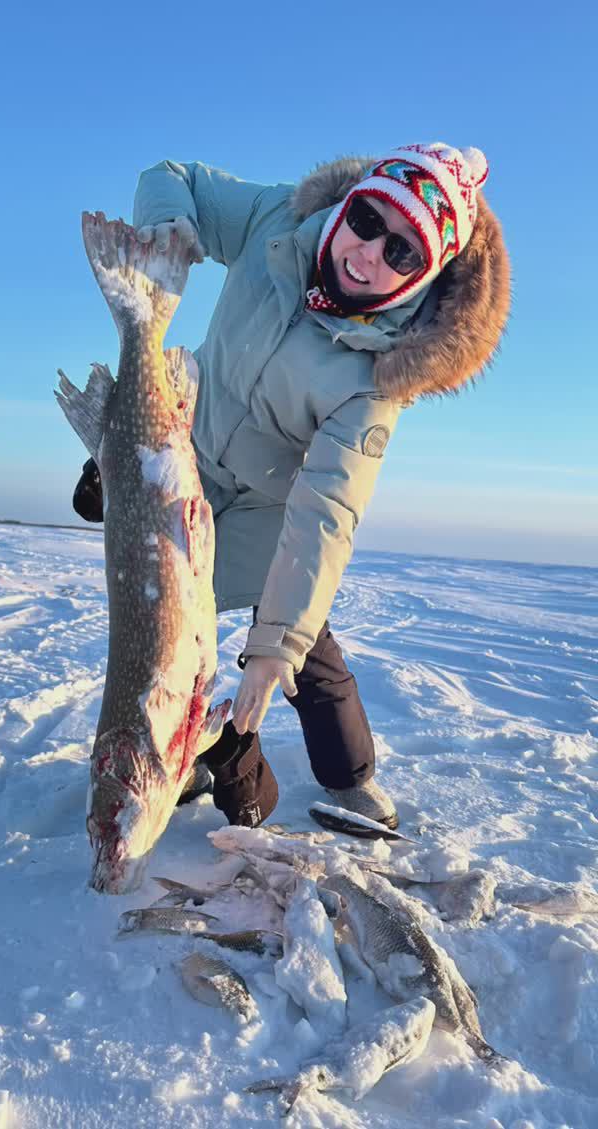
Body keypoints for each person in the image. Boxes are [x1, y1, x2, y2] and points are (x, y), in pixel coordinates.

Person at [73, 143, 511, 830]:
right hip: (188, 449)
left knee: (296, 646)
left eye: (401, 253)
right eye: (368, 219)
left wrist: (276, 641)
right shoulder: (278, 218)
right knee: (157, 623)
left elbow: (326, 511)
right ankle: (191, 749)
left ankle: (347, 776)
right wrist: (172, 234)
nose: (367, 254)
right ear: (351, 201)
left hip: (269, 508)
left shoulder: (379, 379)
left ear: (422, 276)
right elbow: (172, 177)